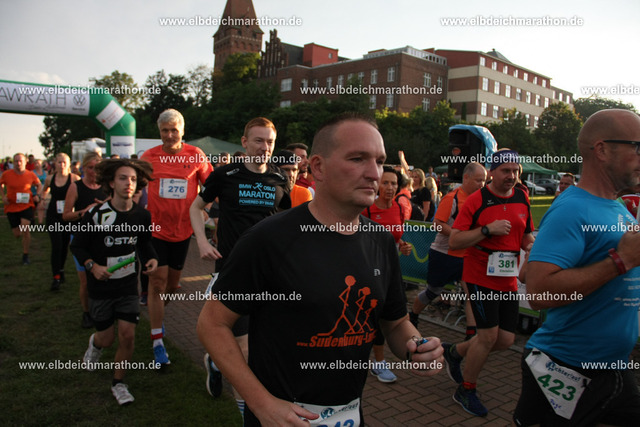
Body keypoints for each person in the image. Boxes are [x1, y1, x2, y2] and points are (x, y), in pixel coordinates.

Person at [197, 113, 443, 426]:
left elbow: (394, 324)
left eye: (380, 161)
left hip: (349, 415)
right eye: (357, 158)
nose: (374, 173)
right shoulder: (269, 239)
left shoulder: (381, 241)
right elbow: (212, 324)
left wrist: (416, 348)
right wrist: (261, 404)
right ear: (318, 167)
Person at [513, 109, 640, 426]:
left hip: (612, 365)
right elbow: (539, 292)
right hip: (567, 367)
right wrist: (621, 261)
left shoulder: (618, 208)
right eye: (637, 147)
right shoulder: (572, 209)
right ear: (602, 150)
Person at [189, 117, 290, 412]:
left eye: (270, 142)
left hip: (269, 275)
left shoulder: (280, 178)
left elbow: (285, 221)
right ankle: (248, 413)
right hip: (233, 272)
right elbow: (196, 207)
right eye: (258, 140)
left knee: (262, 342)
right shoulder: (225, 175)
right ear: (244, 143)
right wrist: (202, 241)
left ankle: (216, 362)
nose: (264, 147)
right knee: (243, 349)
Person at [442, 150, 534, 417]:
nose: (511, 176)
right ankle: (466, 389)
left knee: (505, 340)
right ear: (492, 172)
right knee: (488, 336)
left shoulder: (522, 196)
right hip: (480, 276)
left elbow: (525, 234)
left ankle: (455, 352)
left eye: (515, 171)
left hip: (507, 279)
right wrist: (486, 230)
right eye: (506, 170)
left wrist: (531, 245)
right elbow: (455, 240)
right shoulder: (477, 200)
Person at [72, 158, 158, 406]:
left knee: (128, 335)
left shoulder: (142, 215)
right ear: (111, 183)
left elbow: (144, 243)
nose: (128, 183)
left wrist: (151, 258)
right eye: (122, 178)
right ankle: (95, 344)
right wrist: (93, 266)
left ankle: (119, 383)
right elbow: (77, 246)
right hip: (101, 287)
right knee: (107, 339)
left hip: (128, 286)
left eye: (133, 179)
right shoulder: (96, 215)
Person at [141, 108, 213, 366]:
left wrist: (208, 209)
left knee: (171, 286)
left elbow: (211, 186)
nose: (170, 135)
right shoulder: (149, 157)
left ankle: (157, 312)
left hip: (182, 232)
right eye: (165, 131)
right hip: (155, 231)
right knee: (157, 284)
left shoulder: (196, 155)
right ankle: (157, 340)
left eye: (174, 130)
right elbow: (134, 185)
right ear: (159, 132)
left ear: (182, 131)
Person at [409, 162, 487, 342]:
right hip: (444, 255)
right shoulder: (452, 198)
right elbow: (437, 224)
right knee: (433, 292)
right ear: (466, 178)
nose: (482, 184)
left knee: (472, 294)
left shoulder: (481, 200)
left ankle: (470, 335)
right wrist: (459, 236)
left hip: (467, 256)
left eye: (484, 181)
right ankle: (413, 315)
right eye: (478, 180)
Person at [362, 166, 413, 383]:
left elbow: (396, 238)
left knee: (387, 316)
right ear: (377, 185)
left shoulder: (399, 208)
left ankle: (379, 362)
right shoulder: (367, 209)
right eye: (385, 183)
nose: (390, 187)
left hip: (391, 271)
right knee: (368, 317)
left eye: (394, 183)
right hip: (368, 271)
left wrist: (403, 246)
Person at [63, 152, 107, 328]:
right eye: (90, 168)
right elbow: (66, 215)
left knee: (103, 277)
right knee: (85, 280)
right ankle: (87, 313)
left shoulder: (106, 187)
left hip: (101, 239)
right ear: (83, 168)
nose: (93, 172)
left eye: (97, 168)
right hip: (81, 239)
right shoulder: (76, 187)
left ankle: (104, 310)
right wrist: (84, 212)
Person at [40, 153, 80, 290]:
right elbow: (44, 191)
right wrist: (42, 200)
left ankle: (61, 269)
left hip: (68, 217)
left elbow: (81, 195)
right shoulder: (50, 178)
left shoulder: (74, 179)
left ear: (68, 164)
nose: (62, 165)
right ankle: (56, 277)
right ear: (55, 164)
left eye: (64, 162)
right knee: (56, 245)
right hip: (53, 216)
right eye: (59, 162)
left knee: (64, 245)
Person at [0, 153, 42, 265]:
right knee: (17, 234)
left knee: (25, 229)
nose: (18, 163)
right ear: (13, 162)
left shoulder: (30, 174)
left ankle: (25, 255)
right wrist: (3, 196)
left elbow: (39, 185)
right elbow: (1, 184)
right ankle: (21, 227)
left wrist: (37, 195)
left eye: (20, 161)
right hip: (11, 206)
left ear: (25, 162)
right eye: (16, 161)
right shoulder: (7, 174)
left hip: (26, 205)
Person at [32, 159, 48, 224]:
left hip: (43, 193)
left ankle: (40, 223)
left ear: (42, 164)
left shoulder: (45, 173)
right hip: (34, 192)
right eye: (35, 163)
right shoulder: (32, 173)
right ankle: (32, 221)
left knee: (41, 208)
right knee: (33, 208)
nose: (37, 165)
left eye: (38, 163)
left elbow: (47, 182)